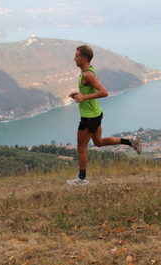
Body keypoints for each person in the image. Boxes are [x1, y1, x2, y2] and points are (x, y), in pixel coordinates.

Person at [67, 45, 142, 186]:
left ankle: (82, 179)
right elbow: (89, 90)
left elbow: (104, 92)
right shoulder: (88, 71)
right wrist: (79, 94)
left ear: (83, 59)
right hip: (95, 113)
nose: (74, 58)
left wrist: (84, 98)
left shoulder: (88, 74)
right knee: (99, 142)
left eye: (76, 56)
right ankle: (130, 142)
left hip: (89, 117)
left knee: (81, 147)